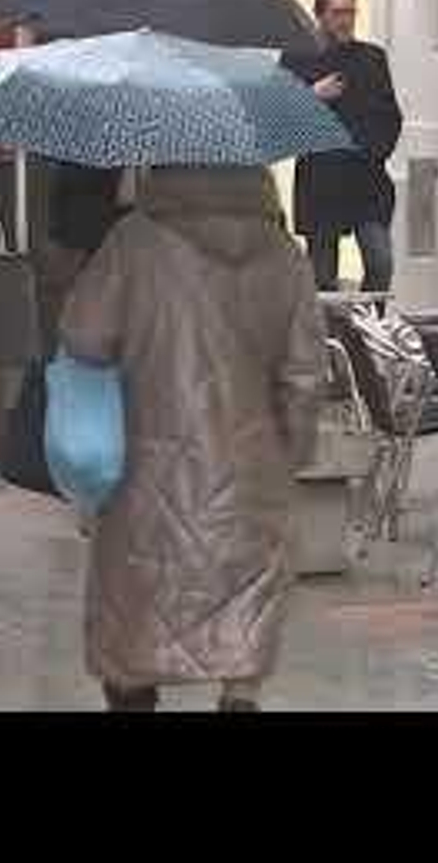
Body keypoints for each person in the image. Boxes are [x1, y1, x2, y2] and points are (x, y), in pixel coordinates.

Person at [58, 165, 323, 713]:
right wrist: (287, 455)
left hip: (146, 476)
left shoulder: (132, 242)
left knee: (135, 623)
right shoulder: (283, 254)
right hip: (250, 479)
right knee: (241, 627)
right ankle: (237, 698)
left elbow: (82, 336)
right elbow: (304, 375)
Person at [281, 0, 402, 293]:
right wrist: (312, 95)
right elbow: (281, 122)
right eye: (337, 13)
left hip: (367, 181)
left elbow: (391, 116)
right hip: (321, 182)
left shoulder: (372, 58)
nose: (346, 20)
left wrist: (374, 153)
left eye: (351, 12)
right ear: (320, 16)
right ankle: (330, 338)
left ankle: (368, 333)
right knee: (322, 276)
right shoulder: (297, 59)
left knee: (380, 263)